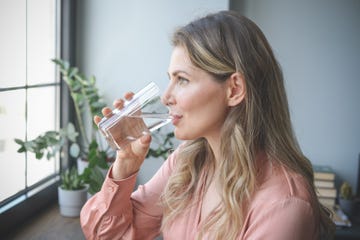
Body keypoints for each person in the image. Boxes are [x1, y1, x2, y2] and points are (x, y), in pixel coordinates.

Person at [80, 10, 335, 239]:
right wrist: (125, 164)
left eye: (182, 80)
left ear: (234, 89)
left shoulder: (283, 205)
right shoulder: (187, 163)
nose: (166, 97)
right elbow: (109, 235)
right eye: (170, 78)